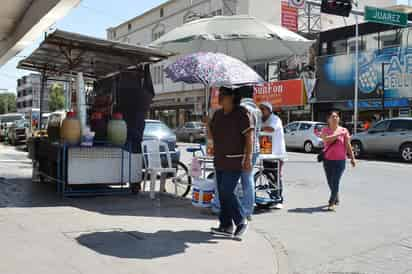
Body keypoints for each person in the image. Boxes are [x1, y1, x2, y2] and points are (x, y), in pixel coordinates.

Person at [209, 87, 254, 238]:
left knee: (227, 191)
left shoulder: (242, 113)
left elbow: (249, 137)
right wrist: (206, 124)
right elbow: (211, 136)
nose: (219, 97)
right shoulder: (218, 114)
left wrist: (248, 158)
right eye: (219, 94)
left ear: (232, 97)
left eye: (223, 95)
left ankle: (241, 220)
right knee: (222, 193)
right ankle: (225, 225)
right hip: (220, 159)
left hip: (235, 160)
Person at [320, 111, 356, 211]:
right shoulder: (325, 130)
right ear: (328, 120)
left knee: (335, 181)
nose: (335, 118)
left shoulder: (344, 130)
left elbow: (348, 145)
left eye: (337, 116)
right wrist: (338, 134)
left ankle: (331, 202)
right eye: (333, 116)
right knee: (330, 181)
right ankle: (336, 195)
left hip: (340, 161)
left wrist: (352, 158)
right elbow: (326, 140)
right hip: (327, 160)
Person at [238, 86, 261, 220]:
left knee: (243, 180)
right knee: (248, 179)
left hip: (245, 149)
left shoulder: (243, 109)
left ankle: (246, 210)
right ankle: (248, 209)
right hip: (255, 148)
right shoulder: (257, 110)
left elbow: (246, 133)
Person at [259, 102, 287, 209]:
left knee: (276, 176)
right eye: (260, 109)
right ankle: (273, 197)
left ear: (269, 110)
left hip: (277, 153)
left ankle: (279, 199)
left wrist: (259, 128)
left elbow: (271, 129)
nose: (261, 111)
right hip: (265, 153)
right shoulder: (262, 120)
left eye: (263, 109)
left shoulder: (275, 119)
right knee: (268, 175)